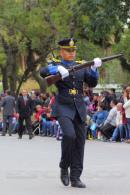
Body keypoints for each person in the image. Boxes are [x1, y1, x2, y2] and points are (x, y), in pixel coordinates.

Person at [40, 38, 102, 188]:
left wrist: (94, 69)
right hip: (63, 106)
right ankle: (63, 166)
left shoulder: (81, 65)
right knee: (69, 135)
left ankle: (75, 177)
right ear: (61, 51)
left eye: (73, 50)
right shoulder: (56, 63)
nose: (72, 53)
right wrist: (56, 70)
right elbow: (42, 72)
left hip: (79, 107)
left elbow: (92, 83)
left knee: (80, 142)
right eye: (68, 50)